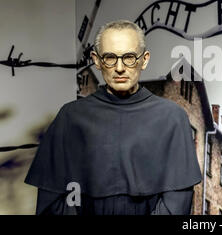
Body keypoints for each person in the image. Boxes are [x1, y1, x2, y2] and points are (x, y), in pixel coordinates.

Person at [24, 20, 202, 215]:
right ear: (97, 60)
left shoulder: (172, 118)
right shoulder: (70, 117)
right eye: (110, 57)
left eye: (129, 57)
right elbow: (52, 203)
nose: (119, 67)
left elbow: (176, 204)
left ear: (144, 60)